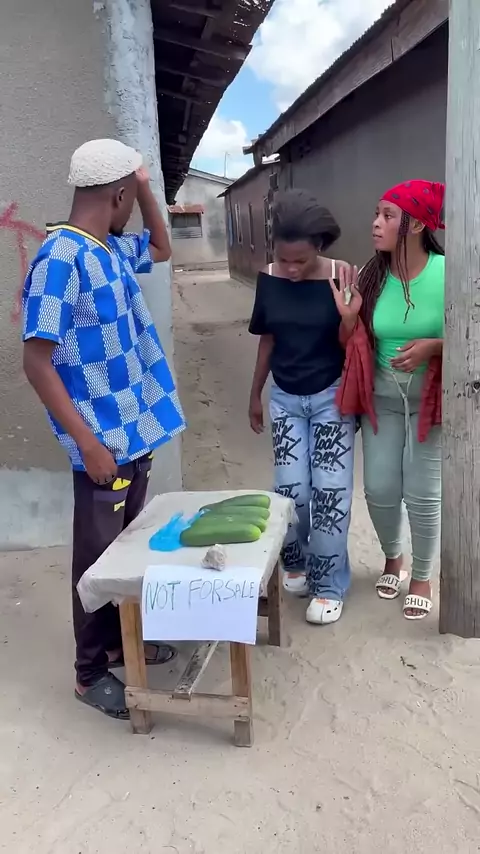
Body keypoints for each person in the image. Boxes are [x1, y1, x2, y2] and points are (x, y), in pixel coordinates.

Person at [22, 139, 186, 719]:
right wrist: (88, 444)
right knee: (96, 559)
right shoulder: (60, 258)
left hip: (132, 436)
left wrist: (142, 184)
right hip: (102, 447)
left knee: (124, 548)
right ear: (116, 196)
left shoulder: (109, 247)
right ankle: (89, 672)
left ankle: (119, 642)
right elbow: (36, 362)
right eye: (131, 196)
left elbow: (162, 245)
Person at [334, 180, 445, 621]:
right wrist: (348, 320)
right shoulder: (371, 276)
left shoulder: (449, 272)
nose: (376, 224)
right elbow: (349, 343)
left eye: (388, 215)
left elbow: (472, 335)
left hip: (432, 404)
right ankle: (393, 558)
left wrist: (434, 347)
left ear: (416, 225)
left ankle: (422, 577)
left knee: (423, 492)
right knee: (379, 488)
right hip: (381, 399)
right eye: (376, 214)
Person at [248, 189, 357, 625]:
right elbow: (267, 339)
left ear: (319, 247)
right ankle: (296, 561)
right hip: (285, 399)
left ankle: (329, 585)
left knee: (330, 495)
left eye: (301, 261)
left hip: (332, 397)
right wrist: (254, 395)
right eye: (284, 259)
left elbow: (352, 344)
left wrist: (348, 318)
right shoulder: (268, 277)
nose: (291, 269)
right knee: (291, 492)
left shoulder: (342, 274)